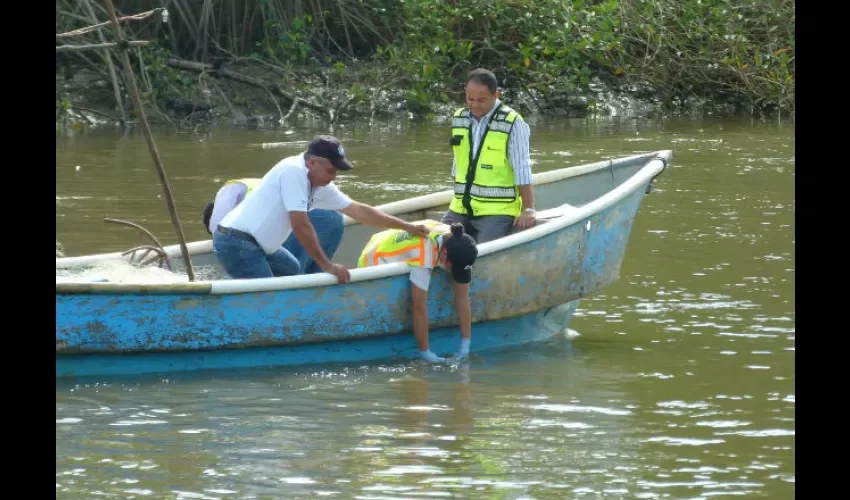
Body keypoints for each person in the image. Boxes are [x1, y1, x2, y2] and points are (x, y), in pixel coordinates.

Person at [213, 134, 430, 282]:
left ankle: (238, 280)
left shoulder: (319, 182)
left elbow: (358, 210)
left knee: (291, 269)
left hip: (260, 245)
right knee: (267, 294)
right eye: (331, 171)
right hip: (237, 241)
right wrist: (327, 266)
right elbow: (300, 225)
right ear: (312, 163)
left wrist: (407, 226)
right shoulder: (293, 172)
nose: (334, 177)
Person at [357, 219, 478, 363]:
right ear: (444, 254)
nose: (455, 274)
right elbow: (418, 307)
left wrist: (466, 343)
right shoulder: (423, 254)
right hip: (374, 257)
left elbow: (462, 296)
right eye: (454, 269)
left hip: (386, 238)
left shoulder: (457, 239)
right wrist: (426, 352)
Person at [442, 68, 537, 243]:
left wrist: (528, 209)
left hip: (497, 211)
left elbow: (522, 167)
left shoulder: (513, 123)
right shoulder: (459, 118)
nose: (475, 105)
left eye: (481, 100)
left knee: (483, 250)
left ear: (496, 95)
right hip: (461, 207)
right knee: (436, 243)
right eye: (470, 99)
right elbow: (458, 164)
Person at [203, 178, 343, 275]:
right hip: (333, 217)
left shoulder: (226, 195)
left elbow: (219, 231)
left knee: (292, 278)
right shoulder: (255, 185)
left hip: (307, 217)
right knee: (315, 278)